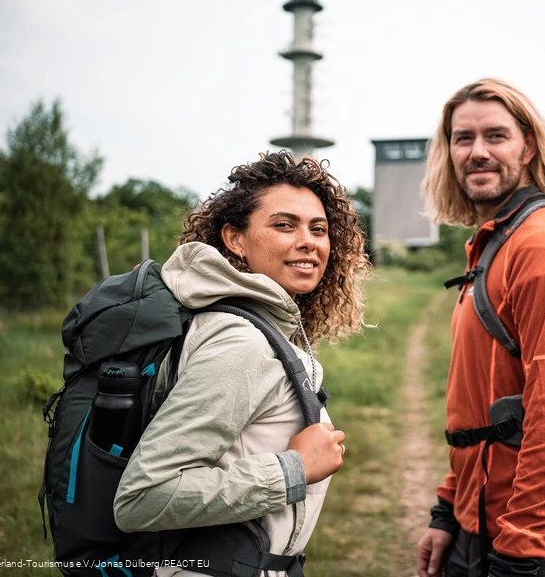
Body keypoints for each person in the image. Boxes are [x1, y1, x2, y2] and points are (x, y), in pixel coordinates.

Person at [113, 151, 370, 577]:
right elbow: (142, 496)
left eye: (319, 229)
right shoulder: (240, 341)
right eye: (284, 225)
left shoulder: (257, 324)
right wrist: (294, 469)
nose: (309, 241)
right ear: (234, 239)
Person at [416, 78, 545, 577]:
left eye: (496, 136)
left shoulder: (542, 247)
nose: (477, 152)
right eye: (462, 138)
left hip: (523, 539)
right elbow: (478, 399)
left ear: (528, 145)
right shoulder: (495, 241)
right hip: (477, 520)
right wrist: (448, 511)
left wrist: (520, 548)